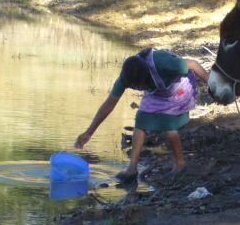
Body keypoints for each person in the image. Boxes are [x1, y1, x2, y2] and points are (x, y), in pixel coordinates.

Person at [74, 48, 209, 183]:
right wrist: (89, 132)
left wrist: (214, 86)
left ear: (147, 74)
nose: (139, 86)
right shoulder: (126, 77)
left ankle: (180, 164)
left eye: (141, 83)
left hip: (178, 85)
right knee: (141, 120)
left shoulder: (162, 62)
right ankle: (132, 168)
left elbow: (194, 64)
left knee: (166, 123)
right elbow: (108, 105)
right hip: (156, 91)